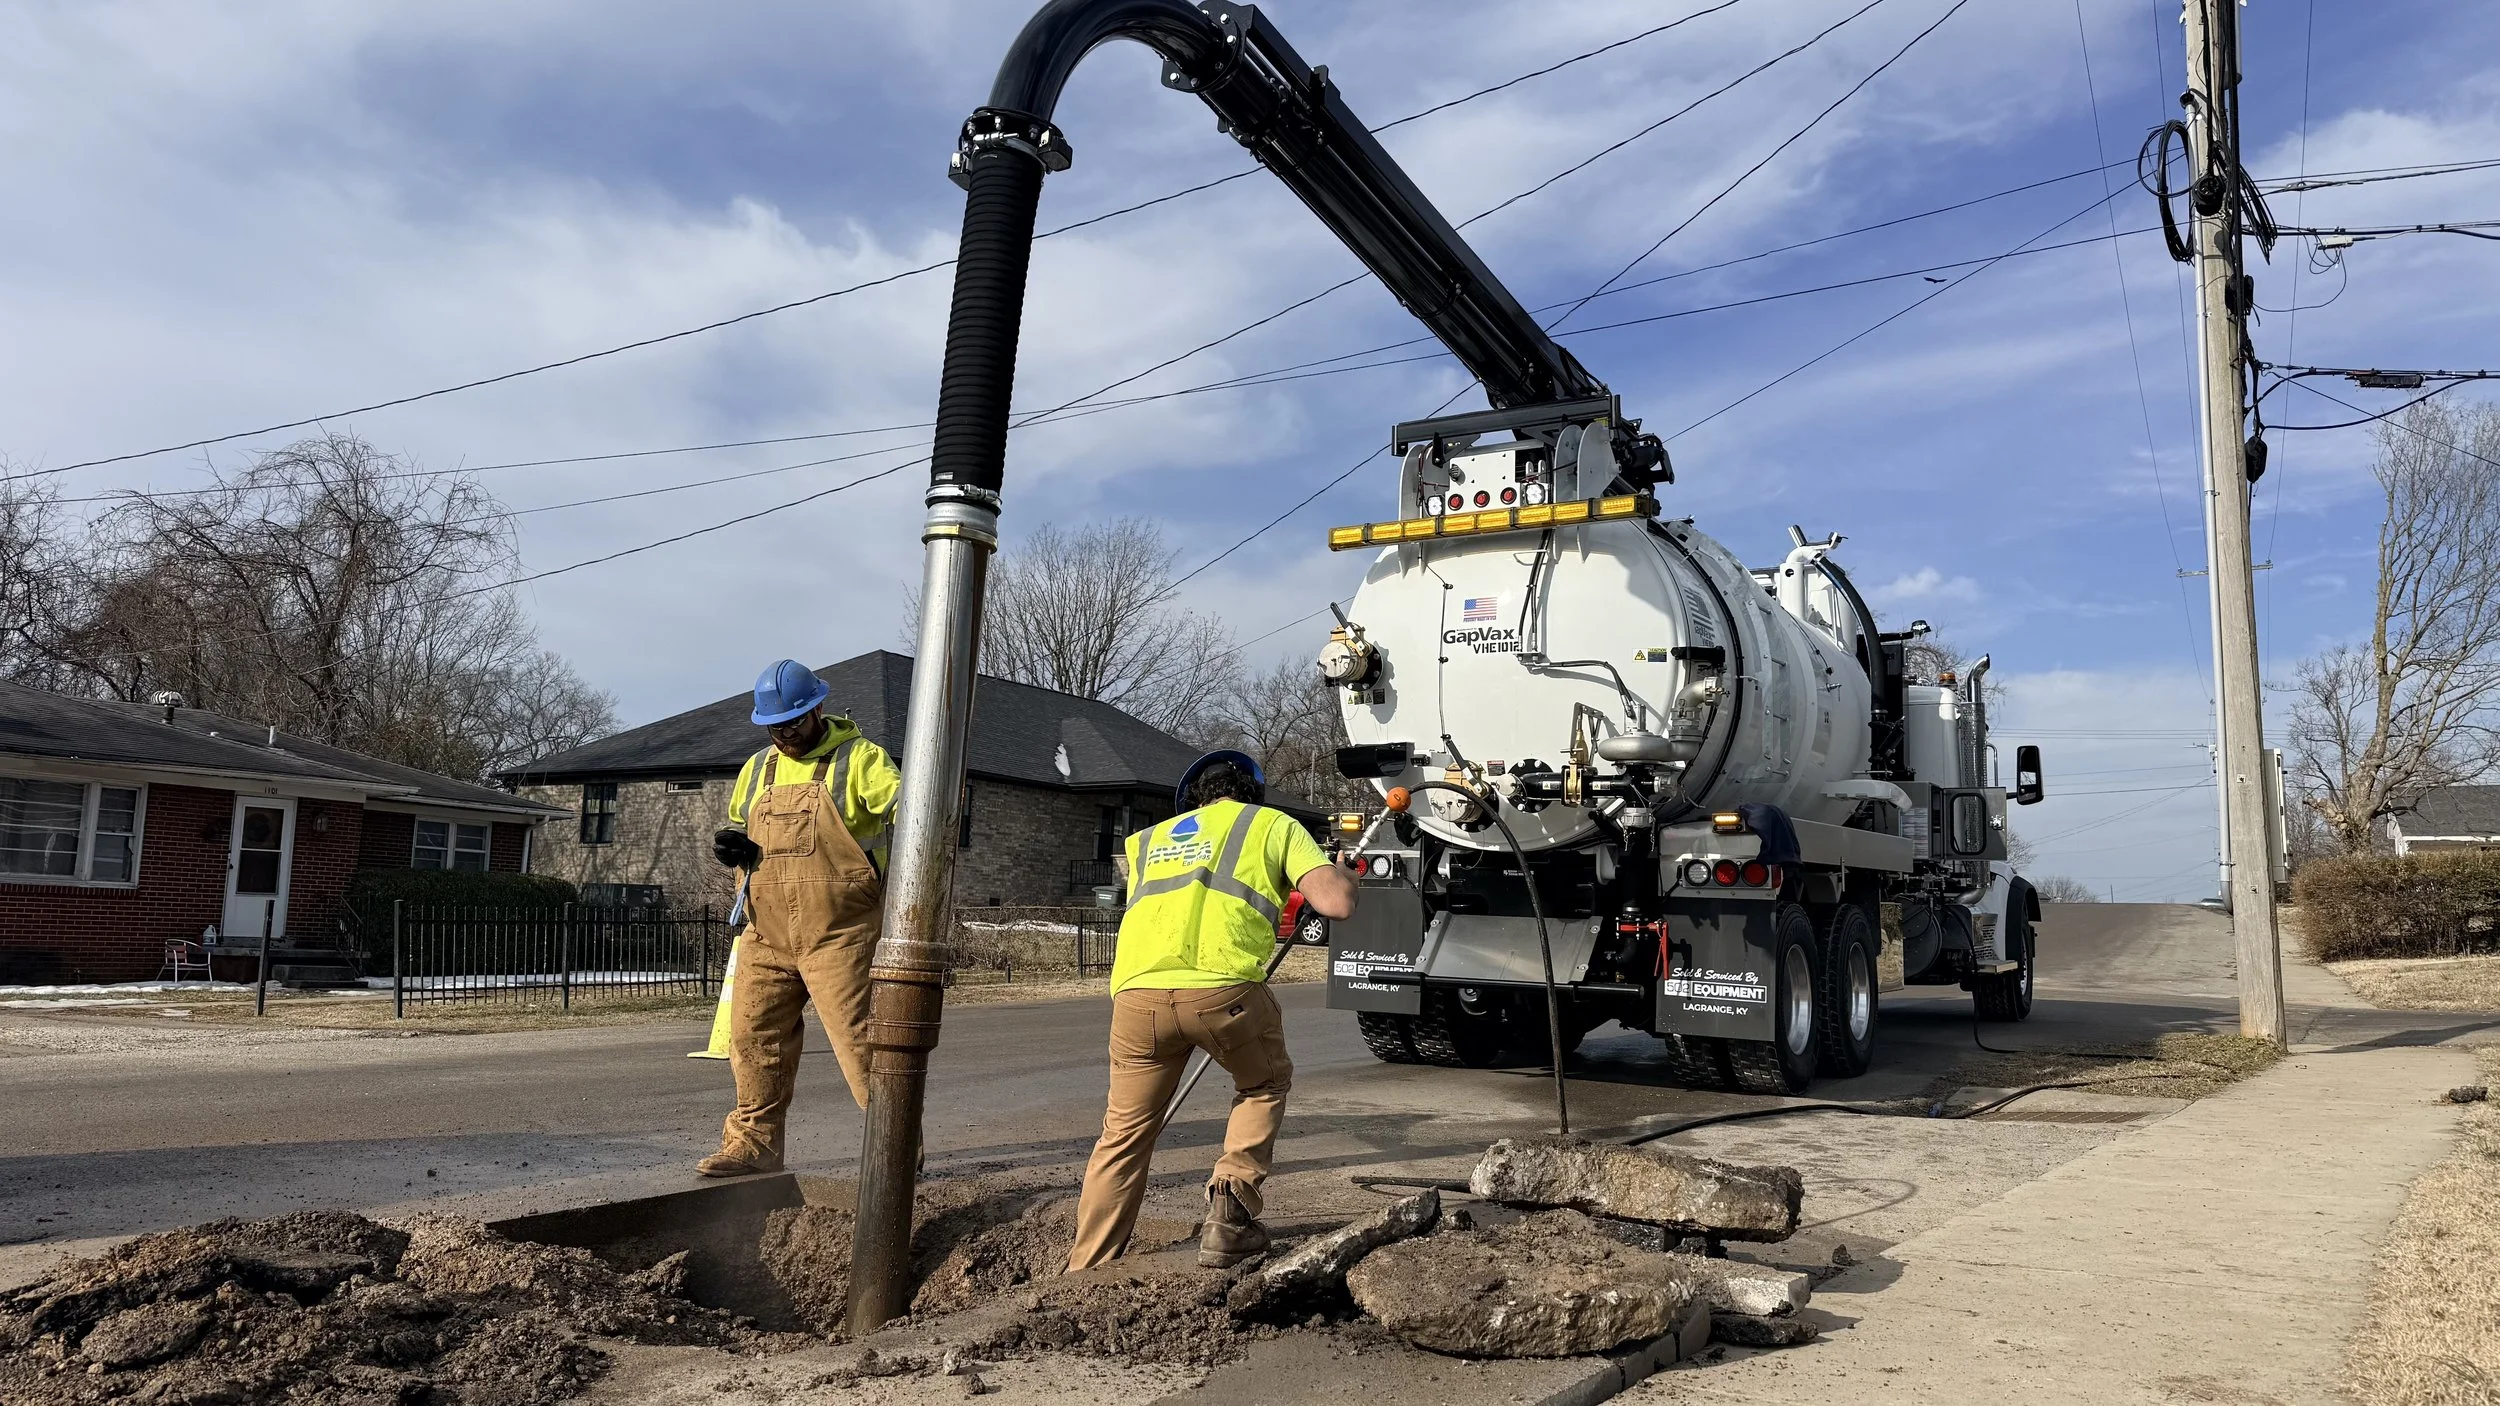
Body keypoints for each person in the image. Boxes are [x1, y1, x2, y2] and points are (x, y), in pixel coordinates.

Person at [1065, 750, 1358, 1271]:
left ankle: (1085, 1267)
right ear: (1253, 792)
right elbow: (1335, 904)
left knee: (1123, 1135)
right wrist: (1343, 875)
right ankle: (1230, 1211)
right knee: (1263, 1084)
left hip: (1136, 998)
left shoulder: (1147, 841)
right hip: (1224, 992)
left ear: (1191, 800)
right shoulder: (1271, 823)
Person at [698, 659, 900, 1177]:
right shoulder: (759, 767)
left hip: (841, 932)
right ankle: (752, 1147)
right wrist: (734, 851)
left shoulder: (861, 759)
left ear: (817, 710)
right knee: (753, 1038)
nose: (784, 734)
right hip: (765, 930)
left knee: (861, 1043)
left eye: (793, 722)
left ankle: (895, 1149)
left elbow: (916, 813)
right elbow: (743, 833)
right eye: (774, 725)